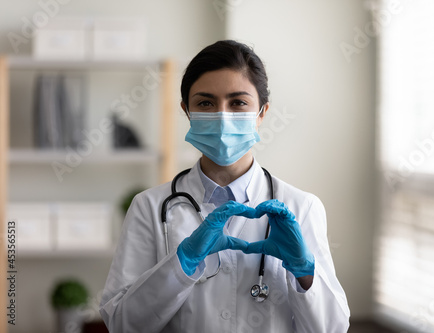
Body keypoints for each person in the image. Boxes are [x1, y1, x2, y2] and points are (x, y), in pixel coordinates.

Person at [99, 40, 350, 333]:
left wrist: (304, 273)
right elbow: (122, 324)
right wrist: (181, 265)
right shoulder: (150, 207)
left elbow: (331, 328)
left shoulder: (301, 207)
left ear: (262, 113)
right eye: (205, 103)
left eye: (238, 102)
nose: (222, 115)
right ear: (186, 111)